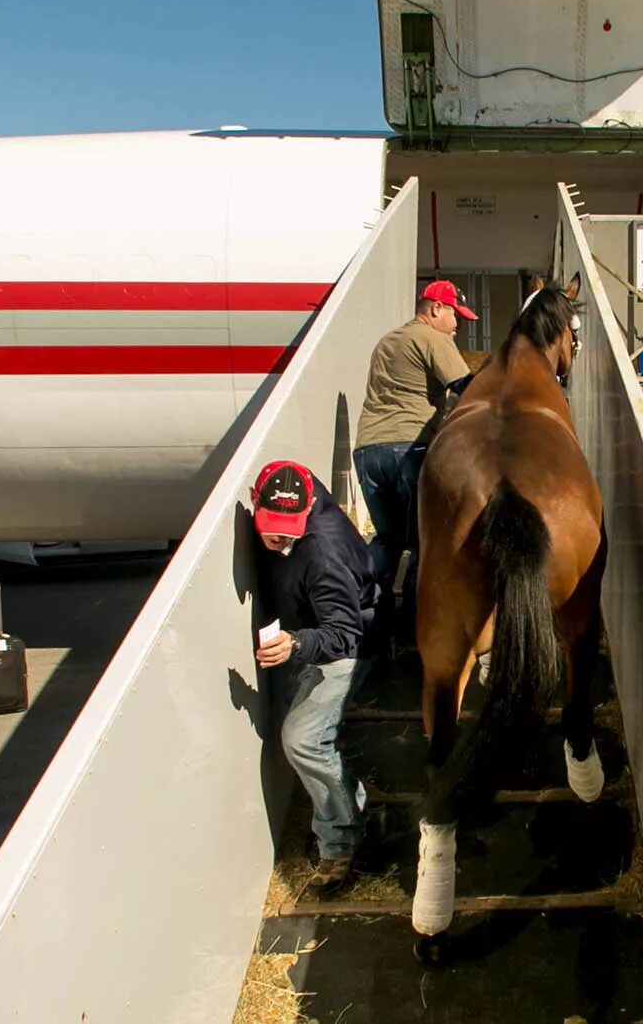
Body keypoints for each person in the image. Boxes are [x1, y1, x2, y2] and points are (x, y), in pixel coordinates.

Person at [251, 459, 379, 890]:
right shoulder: (289, 531)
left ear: (307, 511)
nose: (277, 535)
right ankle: (355, 807)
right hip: (309, 633)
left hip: (348, 646)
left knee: (303, 739)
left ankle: (340, 846)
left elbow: (345, 633)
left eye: (288, 527)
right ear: (254, 503)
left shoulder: (322, 553)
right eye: (269, 524)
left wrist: (297, 644)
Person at [353, 280, 476, 640]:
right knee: (425, 540)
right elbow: (466, 387)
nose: (458, 326)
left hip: (368, 450)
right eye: (456, 316)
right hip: (410, 448)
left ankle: (367, 624)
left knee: (387, 538)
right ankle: (411, 629)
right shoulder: (432, 338)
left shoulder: (387, 341)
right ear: (435, 308)